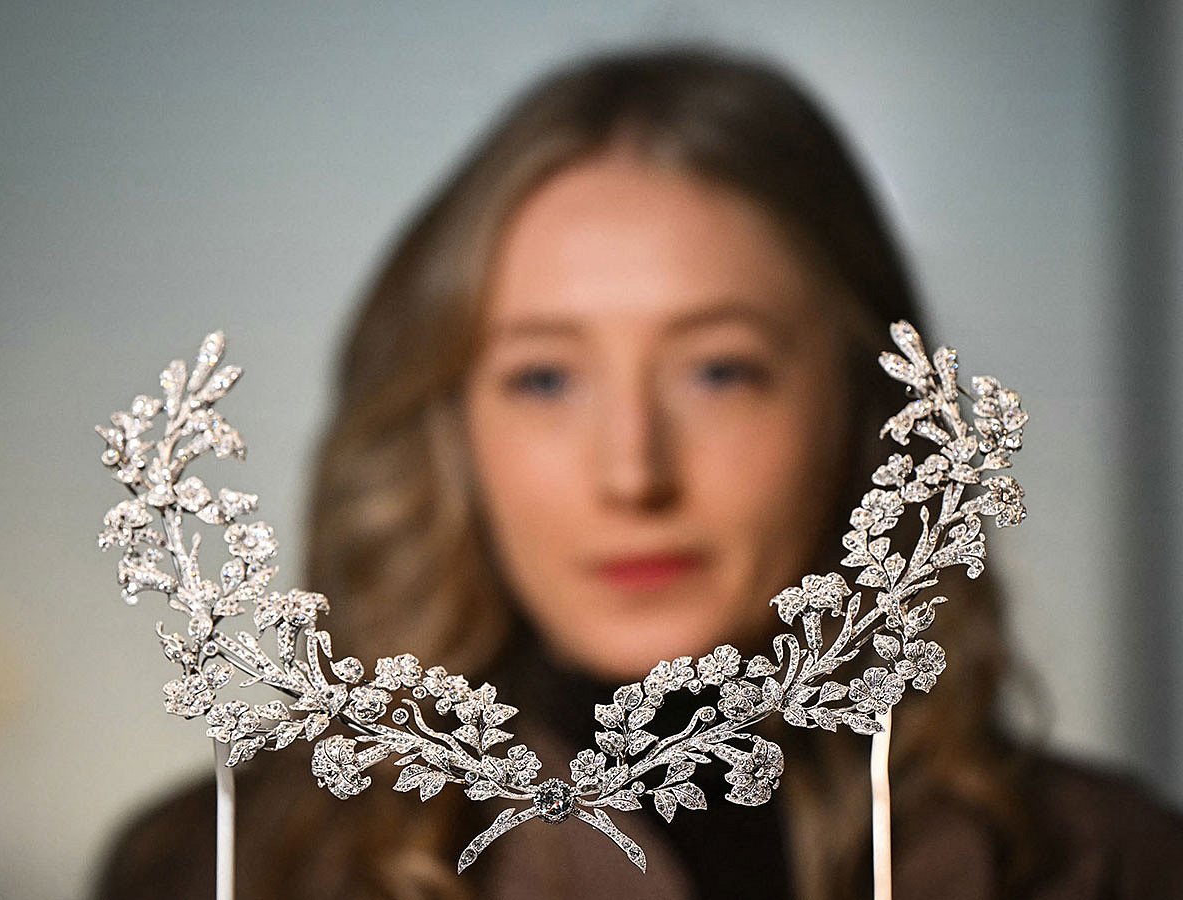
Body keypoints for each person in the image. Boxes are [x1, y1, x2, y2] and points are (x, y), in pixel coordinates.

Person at [94, 45, 1183, 900]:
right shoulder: (219, 870)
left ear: (864, 404)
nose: (633, 473)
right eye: (544, 379)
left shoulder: (1105, 866)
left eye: (720, 371)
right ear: (448, 426)